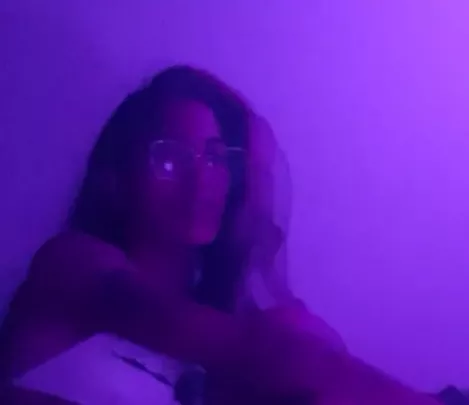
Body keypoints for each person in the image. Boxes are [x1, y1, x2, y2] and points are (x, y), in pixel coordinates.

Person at [0, 66, 441, 405]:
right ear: (117, 177)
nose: (201, 181)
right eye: (169, 158)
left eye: (215, 159)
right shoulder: (72, 265)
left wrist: (259, 242)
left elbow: (302, 351)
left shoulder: (213, 354)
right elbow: (279, 356)